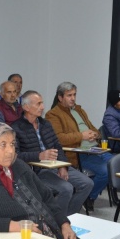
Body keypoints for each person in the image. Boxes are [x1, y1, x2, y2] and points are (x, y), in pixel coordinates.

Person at [12, 90, 93, 216]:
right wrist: (39, 156)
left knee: (87, 183)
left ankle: (69, 216)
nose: (42, 107)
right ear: (26, 107)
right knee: (66, 188)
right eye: (38, 104)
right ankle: (56, 220)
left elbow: (58, 147)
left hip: (55, 164)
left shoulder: (45, 124)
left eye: (42, 103)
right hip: (37, 170)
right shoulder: (16, 128)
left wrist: (63, 166)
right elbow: (15, 156)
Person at [46, 82, 112, 211]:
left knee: (115, 164)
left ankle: (88, 196)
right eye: (69, 95)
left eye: (74, 95)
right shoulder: (53, 114)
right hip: (78, 153)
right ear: (60, 97)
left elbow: (93, 128)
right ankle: (89, 197)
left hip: (94, 149)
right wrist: (82, 136)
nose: (73, 98)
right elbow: (59, 138)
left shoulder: (79, 110)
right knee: (106, 171)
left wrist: (95, 135)